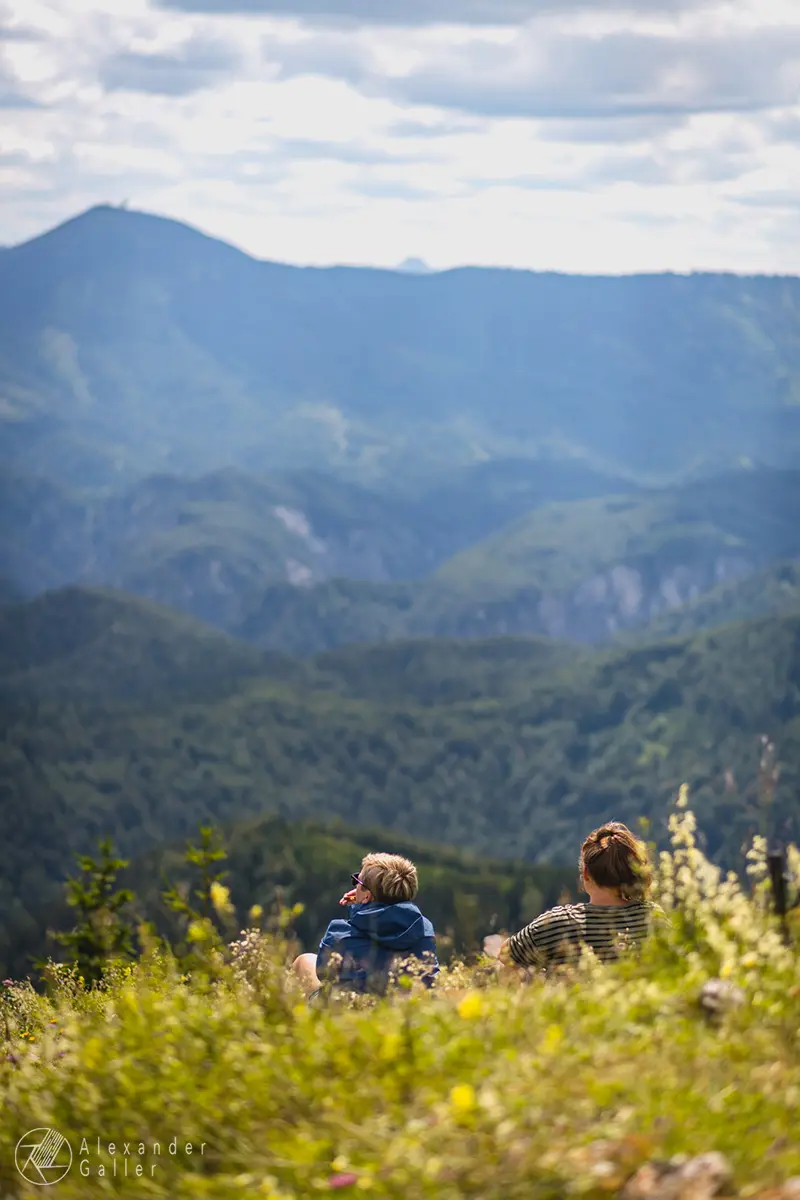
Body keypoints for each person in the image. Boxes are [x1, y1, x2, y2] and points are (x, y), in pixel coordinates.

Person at [485, 822, 653, 970]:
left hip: (577, 1004)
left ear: (586, 873)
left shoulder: (559, 922)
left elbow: (506, 955)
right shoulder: (652, 917)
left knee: (506, 970)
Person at [292, 852, 439, 999]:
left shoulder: (338, 933)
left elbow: (324, 972)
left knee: (304, 961)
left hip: (349, 1011)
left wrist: (358, 911)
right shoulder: (424, 930)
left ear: (367, 895)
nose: (355, 886)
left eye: (358, 882)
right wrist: (365, 905)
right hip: (401, 1012)